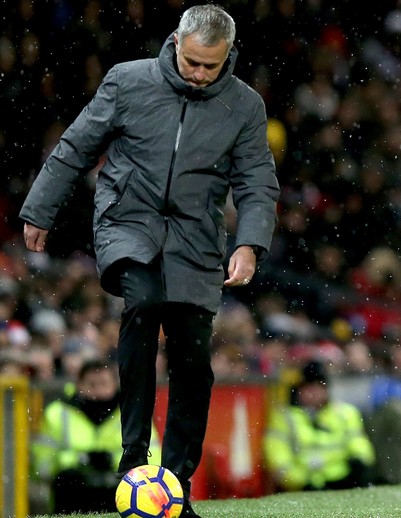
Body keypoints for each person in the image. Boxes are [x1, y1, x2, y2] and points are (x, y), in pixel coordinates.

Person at [19, 5, 279, 516]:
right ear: (177, 41)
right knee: (143, 303)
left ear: (228, 55)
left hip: (197, 236)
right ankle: (133, 460)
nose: (200, 75)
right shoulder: (127, 81)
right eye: (192, 62)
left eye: (212, 66)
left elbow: (256, 183)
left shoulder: (245, 106)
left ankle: (175, 486)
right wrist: (40, 210)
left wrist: (248, 245)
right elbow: (76, 145)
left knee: (192, 357)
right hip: (127, 221)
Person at [31, 359, 161, 514]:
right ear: (79, 385)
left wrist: (111, 461)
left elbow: (152, 463)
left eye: (104, 384)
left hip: (121, 492)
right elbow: (42, 467)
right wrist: (81, 461)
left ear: (115, 384)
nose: (98, 391)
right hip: (73, 493)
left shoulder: (133, 415)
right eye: (92, 385)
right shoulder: (57, 414)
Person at [262, 361, 376, 491]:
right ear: (299, 390)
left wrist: (360, 462)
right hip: (303, 488)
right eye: (309, 387)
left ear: (326, 389)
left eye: (319, 387)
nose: (314, 392)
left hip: (343, 481)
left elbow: (359, 443)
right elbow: (278, 459)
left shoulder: (346, 413)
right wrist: (303, 483)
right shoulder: (284, 418)